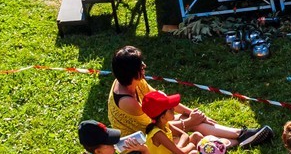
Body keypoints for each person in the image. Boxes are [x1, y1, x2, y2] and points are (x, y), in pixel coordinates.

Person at [106, 45, 270, 148]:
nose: (144, 66)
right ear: (132, 72)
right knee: (192, 133)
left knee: (191, 119)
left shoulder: (133, 81)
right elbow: (155, 129)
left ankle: (241, 135)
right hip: (141, 139)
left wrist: (193, 114)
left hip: (153, 126)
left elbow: (162, 101)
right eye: (140, 65)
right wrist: (190, 122)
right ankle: (239, 138)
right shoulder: (127, 102)